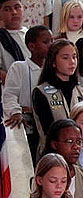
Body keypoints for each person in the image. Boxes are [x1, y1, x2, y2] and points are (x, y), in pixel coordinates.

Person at [32, 39, 83, 160]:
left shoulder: (81, 91)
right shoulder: (42, 92)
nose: (72, 62)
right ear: (53, 62)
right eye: (65, 58)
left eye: (74, 57)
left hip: (80, 153)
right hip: (52, 156)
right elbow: (48, 131)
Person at [2, 25, 51, 162]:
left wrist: (32, 110)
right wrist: (16, 112)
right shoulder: (19, 67)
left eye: (51, 41)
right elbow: (10, 94)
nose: (50, 45)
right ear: (31, 46)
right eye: (45, 42)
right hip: (27, 129)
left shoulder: (53, 70)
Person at [0, 0, 29, 83]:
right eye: (7, 9)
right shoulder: (2, 37)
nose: (14, 12)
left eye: (17, 7)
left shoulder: (31, 34)